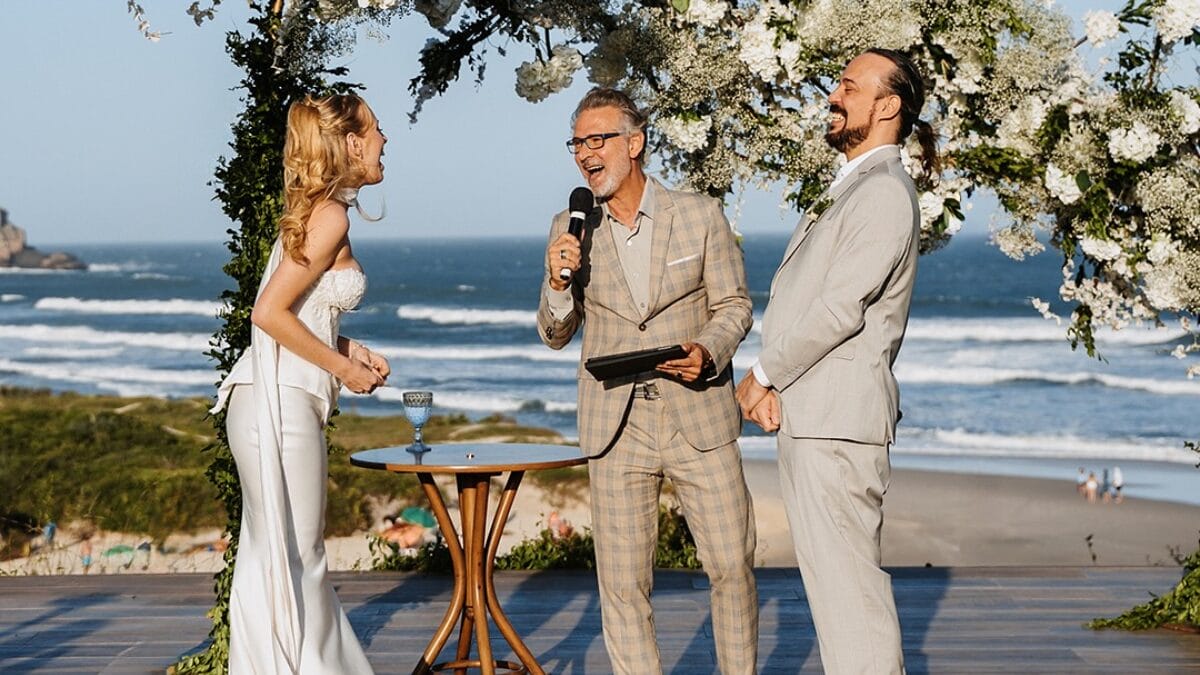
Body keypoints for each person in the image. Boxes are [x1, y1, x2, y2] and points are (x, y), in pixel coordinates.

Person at [538, 87, 758, 675]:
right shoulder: (569, 227)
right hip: (615, 427)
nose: (586, 153)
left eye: (598, 139)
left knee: (732, 566)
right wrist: (561, 282)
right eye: (578, 142)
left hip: (698, 415)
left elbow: (735, 305)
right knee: (623, 585)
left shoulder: (699, 215)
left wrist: (707, 352)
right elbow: (555, 333)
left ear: (634, 144)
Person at [735, 48, 938, 674]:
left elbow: (837, 309)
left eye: (849, 86)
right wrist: (779, 387)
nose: (834, 94)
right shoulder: (853, 186)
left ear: (887, 106)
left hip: (838, 425)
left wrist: (764, 374)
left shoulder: (881, 193)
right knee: (838, 600)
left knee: (852, 603)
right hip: (819, 418)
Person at [210, 93, 390, 674]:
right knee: (300, 559)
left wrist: (346, 348)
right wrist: (343, 370)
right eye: (379, 131)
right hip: (278, 407)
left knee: (275, 559)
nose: (387, 142)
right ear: (354, 142)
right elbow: (268, 313)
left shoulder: (320, 210)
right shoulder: (330, 214)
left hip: (273, 399)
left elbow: (300, 314)